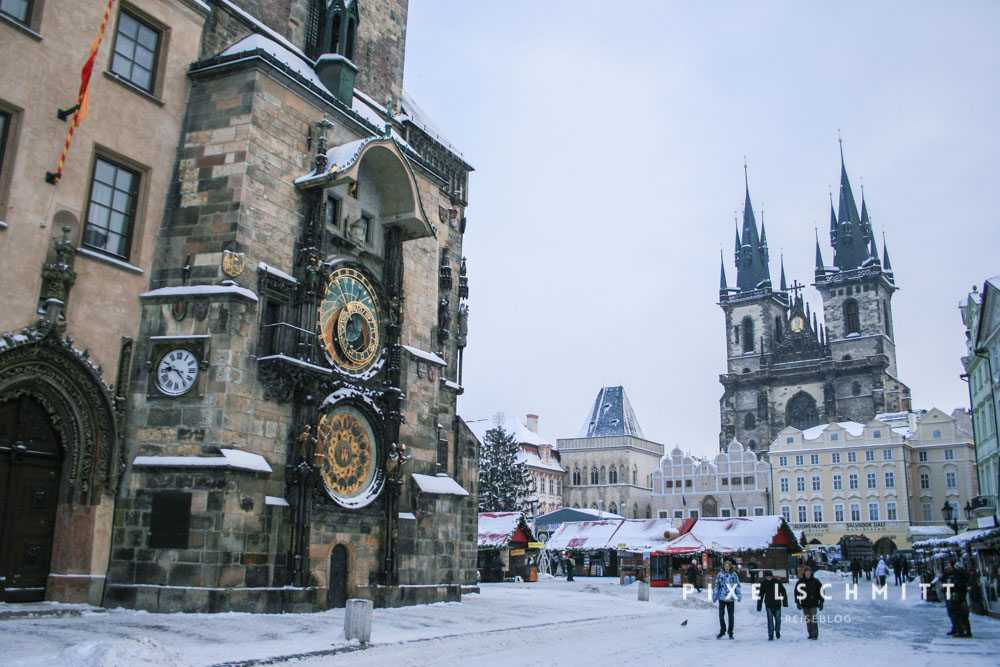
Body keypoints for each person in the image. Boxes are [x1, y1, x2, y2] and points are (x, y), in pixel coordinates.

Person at [942, 561, 972, 637]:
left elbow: (955, 585)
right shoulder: (958, 574)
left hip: (956, 596)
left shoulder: (957, 575)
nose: (947, 566)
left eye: (948, 565)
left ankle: (961, 631)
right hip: (958, 596)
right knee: (961, 614)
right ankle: (964, 630)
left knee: (957, 614)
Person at [712, 560, 741, 639]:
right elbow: (717, 585)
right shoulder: (720, 574)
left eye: (728, 566)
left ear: (730, 567)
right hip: (722, 597)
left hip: (731, 598)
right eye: (726, 566)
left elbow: (737, 585)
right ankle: (723, 630)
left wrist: (738, 595)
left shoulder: (734, 574)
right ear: (723, 567)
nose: (727, 568)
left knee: (731, 616)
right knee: (721, 615)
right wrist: (715, 595)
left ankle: (730, 632)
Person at [756, 570, 788, 640]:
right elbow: (761, 594)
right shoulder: (764, 583)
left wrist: (785, 602)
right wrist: (759, 606)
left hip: (777, 604)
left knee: (778, 619)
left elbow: (783, 591)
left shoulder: (777, 582)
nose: (769, 578)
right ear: (766, 577)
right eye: (768, 576)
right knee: (770, 620)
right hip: (768, 604)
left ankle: (777, 630)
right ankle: (770, 634)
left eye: (770, 576)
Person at [794, 565, 824, 639]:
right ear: (804, 573)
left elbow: (821, 591)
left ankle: (815, 634)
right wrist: (797, 602)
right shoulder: (800, 582)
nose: (808, 573)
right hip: (805, 603)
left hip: (813, 603)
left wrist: (821, 602)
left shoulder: (815, 581)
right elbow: (796, 592)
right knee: (808, 619)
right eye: (806, 571)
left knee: (813, 618)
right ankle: (810, 633)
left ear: (811, 572)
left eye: (809, 571)